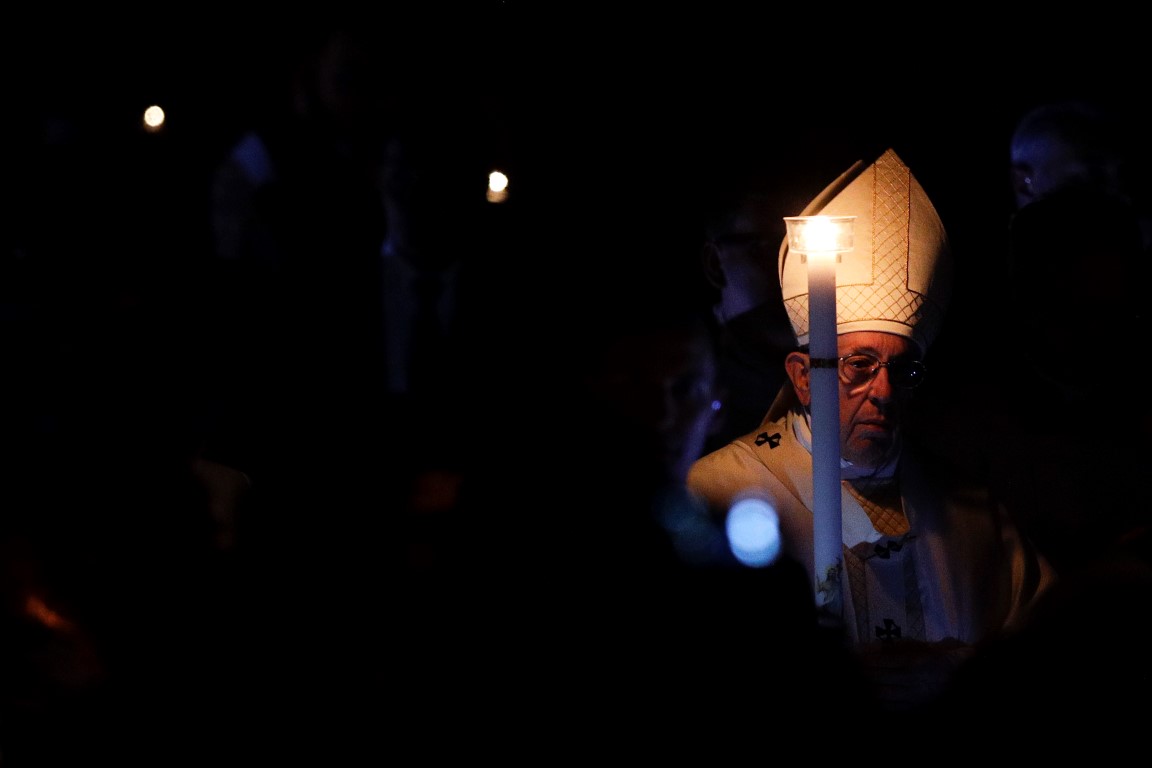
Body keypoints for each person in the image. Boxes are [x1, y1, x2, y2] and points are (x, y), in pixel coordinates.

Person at [686, 148, 1055, 711]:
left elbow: (1053, 652)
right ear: (804, 378)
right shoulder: (720, 494)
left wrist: (960, 672)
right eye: (858, 366)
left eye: (902, 369)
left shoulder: (972, 513)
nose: (882, 391)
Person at [697, 176, 797, 453]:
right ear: (715, 263)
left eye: (801, 249)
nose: (793, 268)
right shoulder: (685, 387)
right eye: (767, 248)